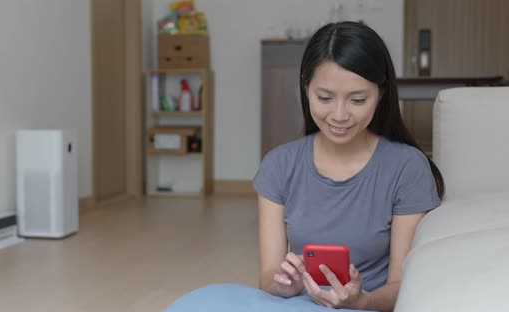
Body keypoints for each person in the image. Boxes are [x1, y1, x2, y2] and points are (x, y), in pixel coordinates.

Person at [165, 21, 444, 312]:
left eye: (358, 100)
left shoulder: (406, 167)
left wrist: (362, 301)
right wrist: (287, 285)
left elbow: (402, 287)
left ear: (381, 93)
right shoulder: (279, 165)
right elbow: (268, 281)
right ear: (305, 87)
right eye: (324, 98)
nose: (339, 115)